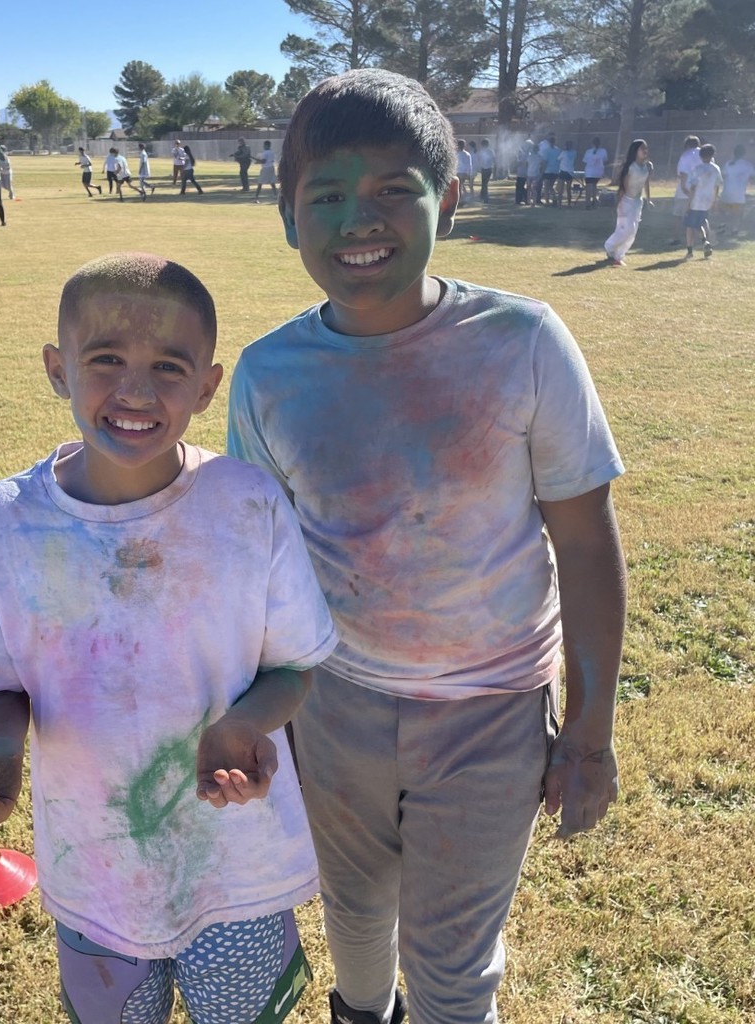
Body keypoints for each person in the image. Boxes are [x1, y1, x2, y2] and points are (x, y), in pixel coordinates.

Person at [227, 69, 626, 1024]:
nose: (358, 219)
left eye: (392, 191)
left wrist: (591, 727)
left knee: (453, 967)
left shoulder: (524, 340)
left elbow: (584, 539)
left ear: (446, 199)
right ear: (287, 218)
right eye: (325, 196)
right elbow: (261, 563)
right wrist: (262, 712)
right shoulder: (269, 374)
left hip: (488, 715)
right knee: (356, 920)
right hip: (336, 706)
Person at [0, 252, 337, 1024]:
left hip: (234, 866)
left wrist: (243, 724)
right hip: (95, 872)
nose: (136, 390)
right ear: (57, 368)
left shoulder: (247, 505)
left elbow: (294, 666)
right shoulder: (7, 520)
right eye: (105, 359)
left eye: (169, 367)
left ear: (208, 386)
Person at [604, 138, 654, 266]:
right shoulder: (630, 167)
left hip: (638, 202)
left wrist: (649, 199)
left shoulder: (646, 166)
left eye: (646, 148)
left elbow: (646, 183)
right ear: (635, 151)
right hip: (626, 202)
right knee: (627, 230)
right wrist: (617, 204)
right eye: (642, 148)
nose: (645, 151)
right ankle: (611, 248)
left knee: (632, 232)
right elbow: (623, 188)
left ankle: (617, 255)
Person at [684, 143, 722, 259]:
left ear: (700, 156)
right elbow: (717, 186)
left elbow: (693, 187)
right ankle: (702, 243)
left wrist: (689, 203)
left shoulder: (697, 169)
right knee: (702, 221)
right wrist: (714, 201)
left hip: (696, 200)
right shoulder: (716, 169)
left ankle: (696, 247)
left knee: (691, 226)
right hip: (707, 200)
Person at [672, 135, 701, 246]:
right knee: (699, 216)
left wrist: (684, 188)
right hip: (700, 191)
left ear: (687, 145)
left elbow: (682, 173)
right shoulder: (704, 154)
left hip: (684, 191)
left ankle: (677, 238)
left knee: (678, 215)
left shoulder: (685, 155)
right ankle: (701, 239)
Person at [719, 143, 754, 237]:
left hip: (726, 192)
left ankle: (723, 225)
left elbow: (723, 176)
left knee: (723, 210)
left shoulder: (729, 163)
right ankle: (734, 229)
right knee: (737, 214)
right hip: (739, 194)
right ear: (744, 154)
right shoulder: (747, 165)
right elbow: (752, 176)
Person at [582, 137, 608, 209]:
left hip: (589, 172)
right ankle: (594, 200)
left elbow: (585, 161)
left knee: (588, 187)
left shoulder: (588, 151)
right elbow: (605, 160)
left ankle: (588, 203)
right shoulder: (603, 151)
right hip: (598, 172)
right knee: (594, 186)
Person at [540, 134, 561, 205]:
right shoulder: (558, 150)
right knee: (551, 186)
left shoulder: (546, 150)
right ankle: (554, 197)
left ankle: (547, 201)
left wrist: (542, 171)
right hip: (555, 170)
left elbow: (545, 162)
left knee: (546, 187)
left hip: (548, 170)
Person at [556, 139, 578, 207]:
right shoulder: (574, 152)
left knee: (560, 189)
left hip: (563, 171)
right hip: (570, 172)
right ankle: (569, 204)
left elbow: (558, 159)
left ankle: (559, 204)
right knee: (568, 189)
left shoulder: (563, 152)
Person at [477, 138, 495, 203]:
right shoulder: (491, 151)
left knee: (484, 184)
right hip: (489, 169)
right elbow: (493, 159)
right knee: (484, 183)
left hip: (484, 169)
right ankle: (482, 196)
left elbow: (479, 159)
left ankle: (485, 198)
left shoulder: (482, 151)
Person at [525, 143, 543, 207]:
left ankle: (528, 201)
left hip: (529, 173)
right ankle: (533, 202)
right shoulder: (539, 157)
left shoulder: (529, 156)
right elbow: (541, 166)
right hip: (535, 174)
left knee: (529, 188)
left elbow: (526, 164)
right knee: (534, 189)